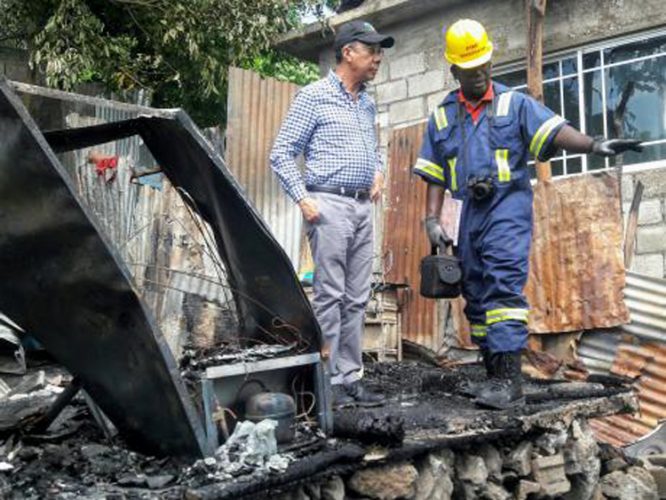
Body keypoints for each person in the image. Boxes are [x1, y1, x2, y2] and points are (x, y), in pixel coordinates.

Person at [414, 19, 642, 410]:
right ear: (455, 71)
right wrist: (432, 220)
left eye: (484, 66)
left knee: (502, 285)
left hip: (507, 206)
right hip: (470, 211)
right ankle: (492, 375)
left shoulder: (512, 103)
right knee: (475, 289)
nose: (480, 74)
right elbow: (434, 171)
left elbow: (553, 132)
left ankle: (509, 381)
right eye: (470, 70)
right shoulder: (442, 116)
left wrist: (594, 144)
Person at [270, 21, 394, 409]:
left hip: (361, 206)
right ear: (348, 53)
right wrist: (303, 198)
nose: (378, 58)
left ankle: (351, 378)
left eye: (379, 51)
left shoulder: (367, 102)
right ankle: (327, 383)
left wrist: (377, 171)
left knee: (358, 297)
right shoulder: (314, 96)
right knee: (330, 296)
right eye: (371, 50)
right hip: (328, 204)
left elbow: (372, 149)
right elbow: (281, 152)